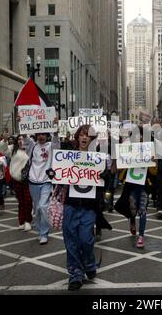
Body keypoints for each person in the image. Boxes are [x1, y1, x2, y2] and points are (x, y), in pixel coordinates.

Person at [59, 124, 107, 290]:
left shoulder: (98, 157)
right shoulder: (68, 156)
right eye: (82, 134)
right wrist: (53, 174)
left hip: (89, 206)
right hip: (71, 204)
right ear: (78, 137)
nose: (84, 137)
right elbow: (59, 174)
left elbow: (106, 178)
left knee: (86, 240)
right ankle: (75, 274)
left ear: (92, 139)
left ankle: (89, 264)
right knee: (70, 240)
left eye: (88, 135)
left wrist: (104, 174)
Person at [22, 131, 60, 245]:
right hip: (33, 182)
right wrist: (22, 126)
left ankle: (44, 233)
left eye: (43, 134)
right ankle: (39, 231)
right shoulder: (32, 146)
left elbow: (56, 143)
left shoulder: (50, 146)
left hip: (46, 181)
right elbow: (26, 140)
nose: (41, 137)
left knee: (43, 207)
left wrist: (56, 132)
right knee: (37, 208)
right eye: (39, 135)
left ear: (47, 135)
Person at [0, 133, 33, 231]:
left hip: (28, 180)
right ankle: (21, 221)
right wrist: (4, 140)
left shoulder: (30, 149)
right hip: (17, 179)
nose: (21, 141)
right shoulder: (12, 149)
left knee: (28, 201)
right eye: (19, 139)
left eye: (22, 139)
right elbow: (2, 150)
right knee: (21, 201)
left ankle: (27, 221)